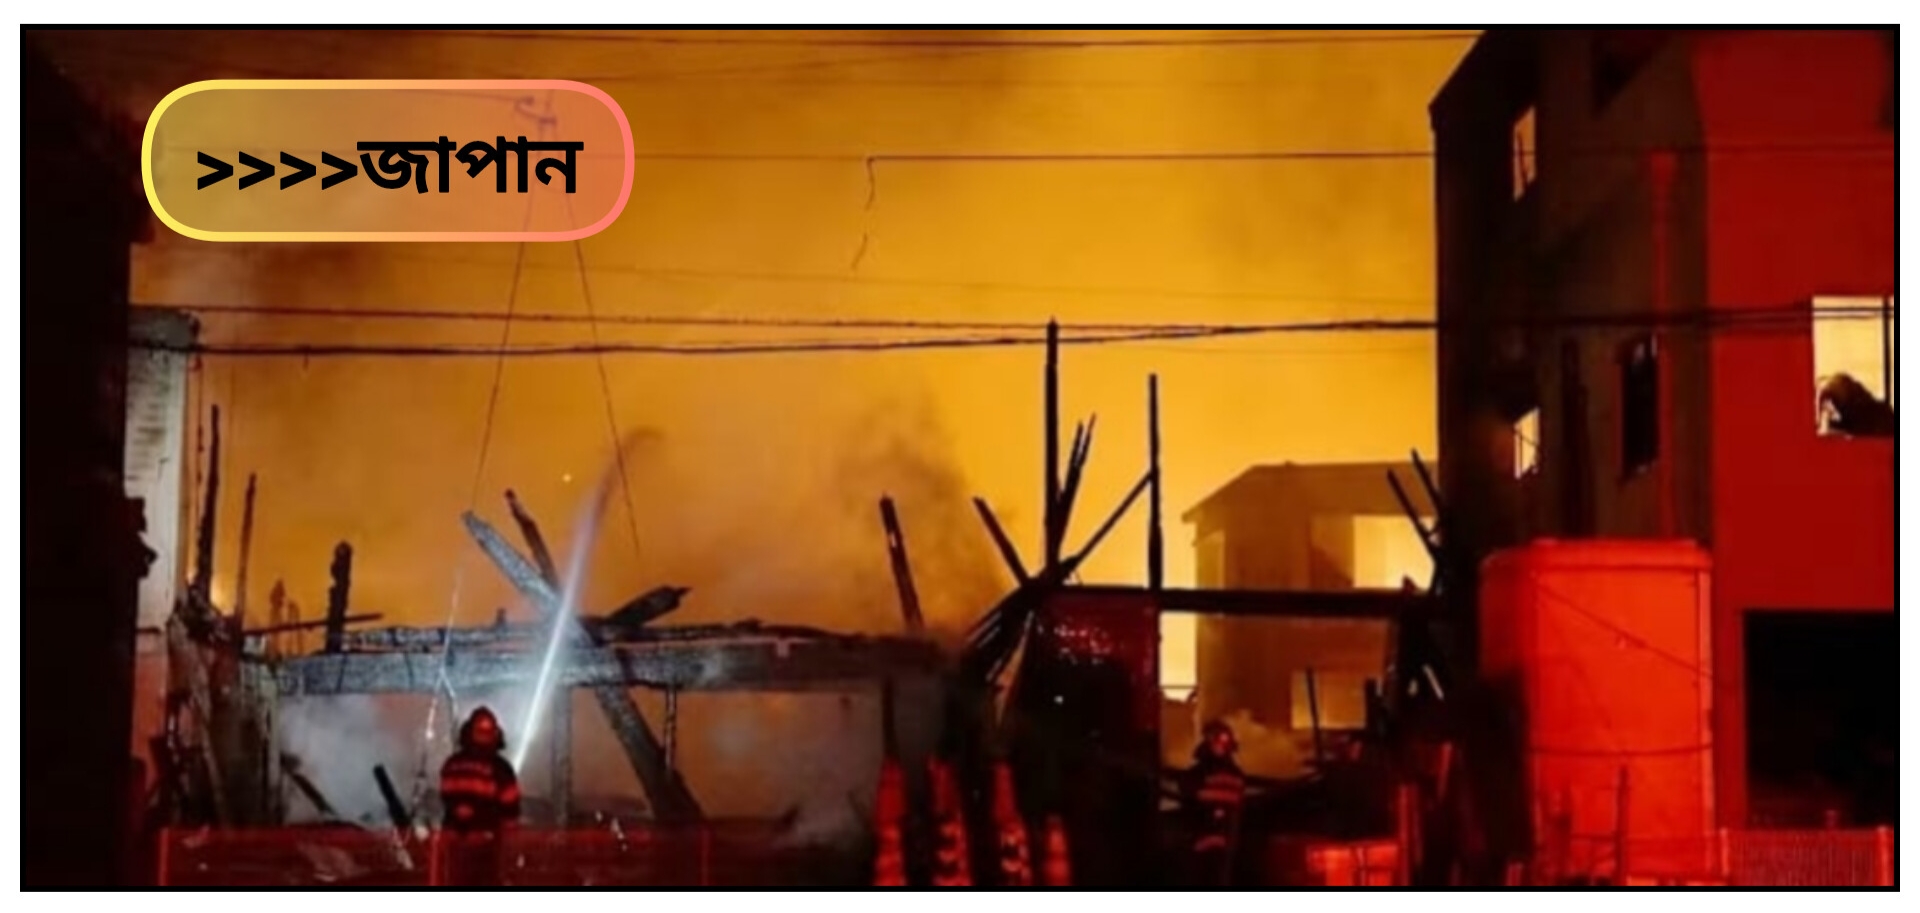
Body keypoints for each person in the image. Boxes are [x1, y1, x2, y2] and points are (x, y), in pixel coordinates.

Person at [438, 707, 521, 886]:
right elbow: (511, 811)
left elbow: (447, 799)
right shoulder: (501, 768)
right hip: (486, 847)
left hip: (456, 845)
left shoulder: (452, 764)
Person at [1182, 720, 1245, 886]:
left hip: (1222, 845)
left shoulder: (1236, 775)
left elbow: (1235, 810)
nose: (1220, 744)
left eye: (1223, 739)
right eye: (1216, 739)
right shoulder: (1195, 775)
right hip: (1202, 842)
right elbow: (1190, 805)